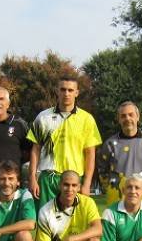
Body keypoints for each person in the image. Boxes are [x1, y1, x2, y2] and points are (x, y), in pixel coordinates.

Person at [27, 77, 102, 209]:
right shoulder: (43, 117)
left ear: (76, 93)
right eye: (63, 89)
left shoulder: (87, 119)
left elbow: (90, 154)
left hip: (74, 180)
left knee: (72, 225)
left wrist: (87, 183)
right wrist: (32, 178)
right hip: (48, 179)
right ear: (57, 91)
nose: (66, 93)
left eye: (70, 90)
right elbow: (35, 149)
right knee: (46, 223)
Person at [98, 101, 142, 204]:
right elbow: (102, 171)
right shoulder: (110, 144)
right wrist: (112, 189)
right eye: (123, 116)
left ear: (138, 117)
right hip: (116, 202)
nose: (127, 118)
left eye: (131, 115)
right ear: (119, 119)